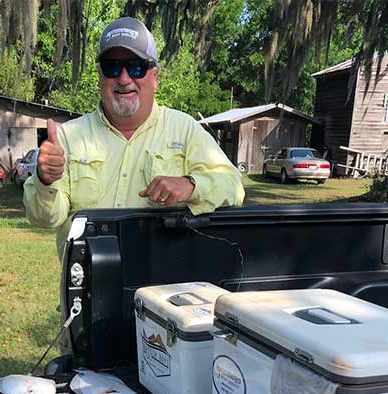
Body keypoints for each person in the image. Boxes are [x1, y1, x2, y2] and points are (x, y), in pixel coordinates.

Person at [23, 16, 245, 259]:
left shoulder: (185, 129)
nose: (124, 78)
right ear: (100, 75)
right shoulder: (68, 136)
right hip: (88, 288)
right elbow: (45, 219)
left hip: (161, 290)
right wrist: (45, 181)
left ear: (155, 76)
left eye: (137, 66)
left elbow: (233, 186)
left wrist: (191, 185)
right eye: (112, 67)